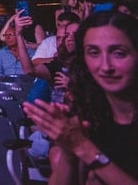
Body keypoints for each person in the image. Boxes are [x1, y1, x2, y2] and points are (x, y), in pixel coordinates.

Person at [23, 12, 138, 183]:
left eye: (119, 53)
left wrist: (83, 148)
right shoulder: (89, 111)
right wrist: (68, 151)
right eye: (94, 53)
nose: (105, 66)